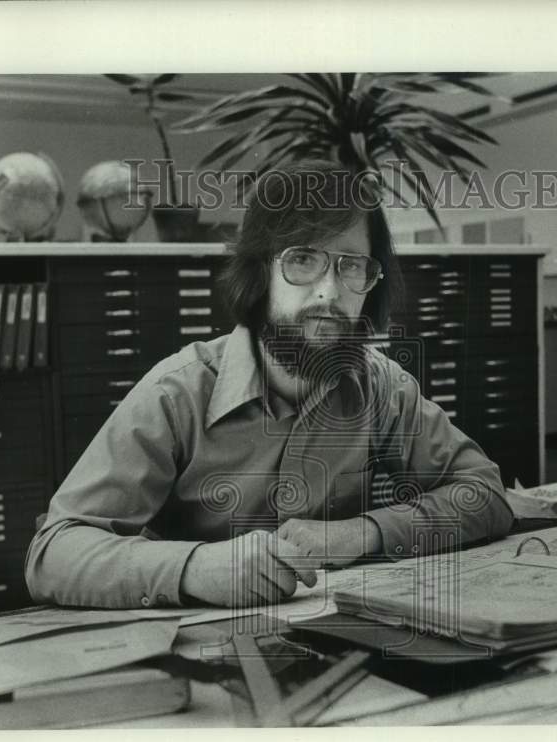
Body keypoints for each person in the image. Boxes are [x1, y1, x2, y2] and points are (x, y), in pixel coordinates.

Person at [25, 161, 515, 610]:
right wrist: (193, 567)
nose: (329, 291)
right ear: (261, 272)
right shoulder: (177, 393)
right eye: (303, 260)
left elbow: (484, 494)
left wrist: (363, 533)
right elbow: (52, 553)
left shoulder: (380, 385)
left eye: (351, 265)